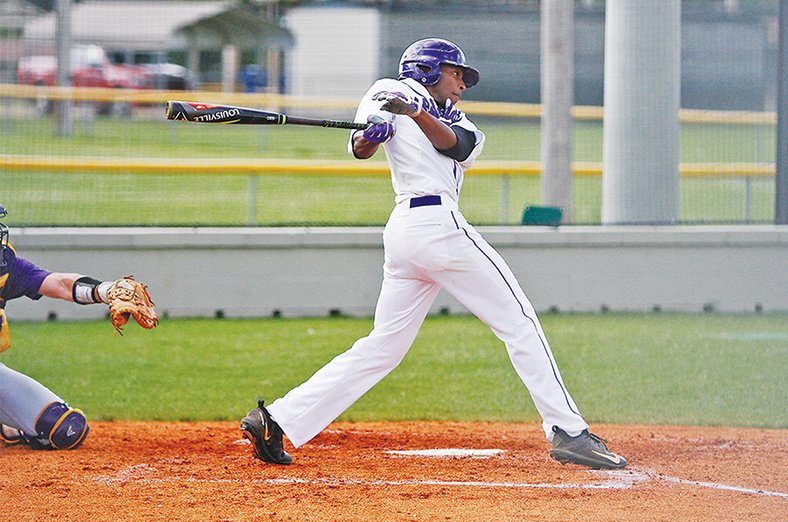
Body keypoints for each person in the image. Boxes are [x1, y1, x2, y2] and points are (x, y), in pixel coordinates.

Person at [241, 38, 626, 470]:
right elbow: (361, 144)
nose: (462, 82)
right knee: (519, 323)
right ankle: (569, 432)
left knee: (383, 348)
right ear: (427, 69)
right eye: (455, 73)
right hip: (431, 227)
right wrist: (374, 132)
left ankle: (275, 419)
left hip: (415, 235)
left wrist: (415, 116)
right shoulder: (393, 88)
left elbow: (455, 145)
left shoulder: (462, 124)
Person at [0, 204, 157, 450]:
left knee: (66, 428)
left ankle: (12, 420)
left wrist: (105, 290)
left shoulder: (7, 268)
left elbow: (59, 283)